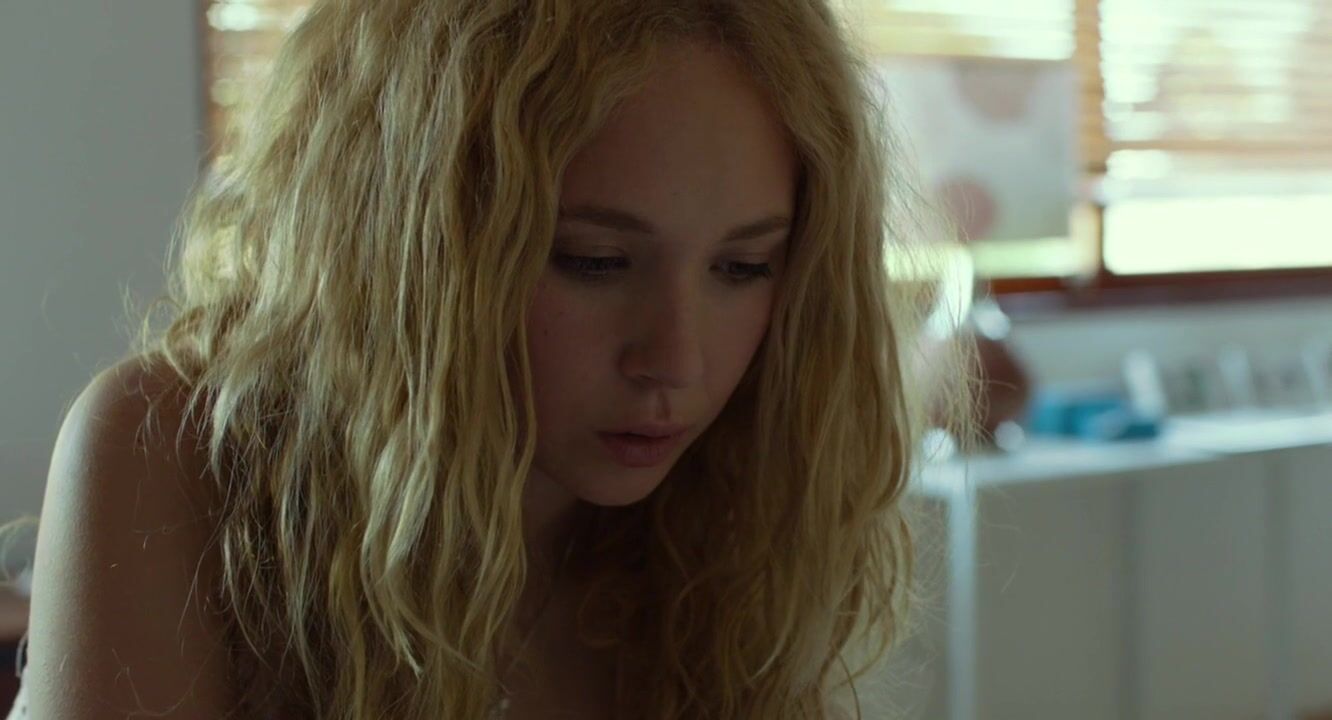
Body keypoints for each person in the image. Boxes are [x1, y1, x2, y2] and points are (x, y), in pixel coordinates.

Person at [3, 0, 965, 717]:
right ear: (415, 247)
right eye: (594, 260)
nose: (676, 360)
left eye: (743, 267)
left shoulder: (720, 528)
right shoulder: (175, 456)